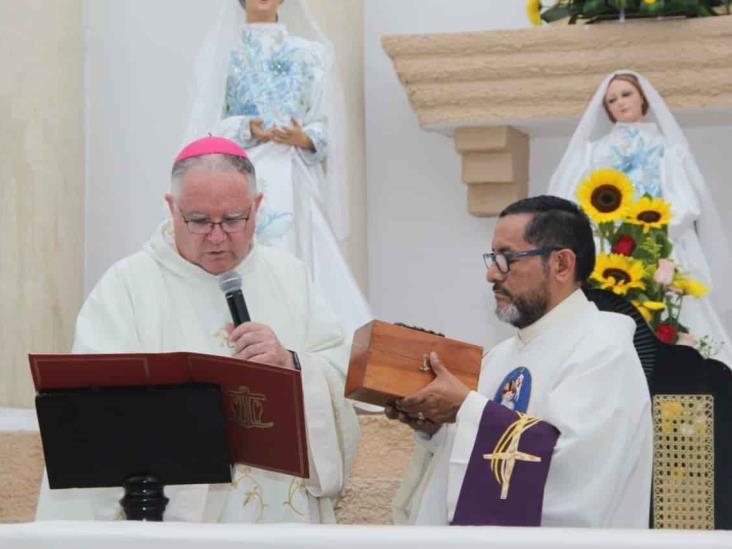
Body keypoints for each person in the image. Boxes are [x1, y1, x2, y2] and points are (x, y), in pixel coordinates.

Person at [35, 136, 359, 524]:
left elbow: (340, 371)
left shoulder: (290, 278)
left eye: (234, 219)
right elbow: (89, 414)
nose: (218, 236)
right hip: (171, 517)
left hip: (278, 519)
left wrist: (291, 363)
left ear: (257, 209)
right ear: (172, 210)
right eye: (200, 221)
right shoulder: (127, 287)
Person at [389, 195, 653, 528]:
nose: (491, 275)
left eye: (507, 258)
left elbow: (578, 481)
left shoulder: (603, 352)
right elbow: (471, 462)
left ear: (561, 264)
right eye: (492, 257)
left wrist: (466, 410)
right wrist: (438, 427)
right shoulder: (500, 356)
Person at [184, 0, 371, 335]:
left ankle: (302, 334)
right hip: (240, 175)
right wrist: (246, 128)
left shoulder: (312, 54)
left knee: (301, 254)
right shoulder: (221, 54)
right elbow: (205, 124)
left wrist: (305, 136)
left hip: (294, 176)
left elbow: (328, 126)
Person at [547, 70, 732, 366]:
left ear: (642, 98)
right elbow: (574, 202)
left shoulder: (667, 149)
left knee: (676, 316)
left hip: (662, 247)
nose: (620, 103)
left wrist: (647, 236)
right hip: (611, 254)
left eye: (626, 94)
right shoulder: (594, 152)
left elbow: (686, 203)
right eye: (612, 100)